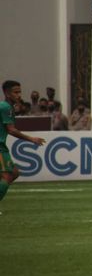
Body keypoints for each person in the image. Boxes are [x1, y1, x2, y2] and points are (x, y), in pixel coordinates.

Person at [1, 81, 46, 212]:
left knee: (14, 173)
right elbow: (11, 130)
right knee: (7, 176)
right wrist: (31, 139)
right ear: (7, 93)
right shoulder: (5, 107)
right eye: (15, 92)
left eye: (20, 92)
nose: (19, 95)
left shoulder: (5, 107)